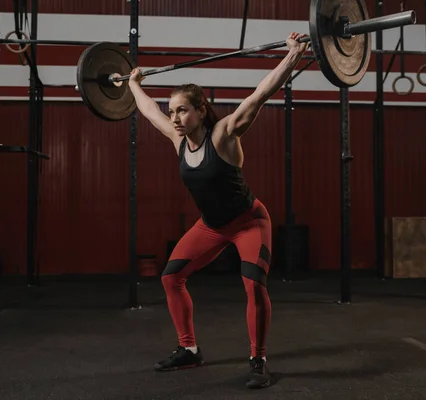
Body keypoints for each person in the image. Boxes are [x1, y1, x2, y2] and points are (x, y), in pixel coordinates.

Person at [127, 32, 309, 390]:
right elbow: (148, 111)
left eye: (182, 110)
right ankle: (188, 349)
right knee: (170, 277)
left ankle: (258, 360)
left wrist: (293, 55)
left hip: (248, 223)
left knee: (253, 285)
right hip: (211, 226)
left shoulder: (224, 134)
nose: (174, 117)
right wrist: (134, 83)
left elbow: (260, 95)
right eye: (172, 111)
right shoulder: (177, 138)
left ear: (200, 109)